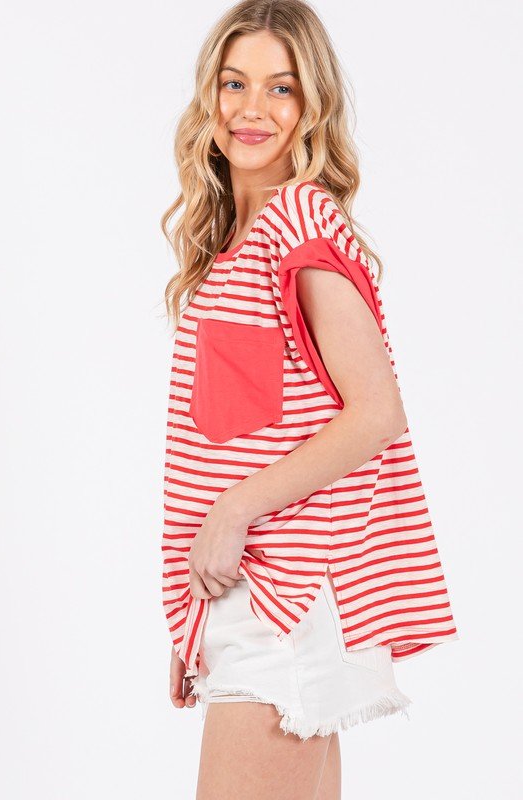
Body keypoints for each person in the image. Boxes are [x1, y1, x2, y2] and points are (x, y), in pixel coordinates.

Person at [160, 1, 459, 797]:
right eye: (234, 83)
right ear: (208, 95)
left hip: (284, 600)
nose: (251, 108)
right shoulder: (237, 245)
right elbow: (233, 441)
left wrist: (230, 516)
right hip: (252, 599)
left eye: (281, 88)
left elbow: (375, 412)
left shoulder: (299, 219)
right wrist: (195, 619)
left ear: (311, 107)